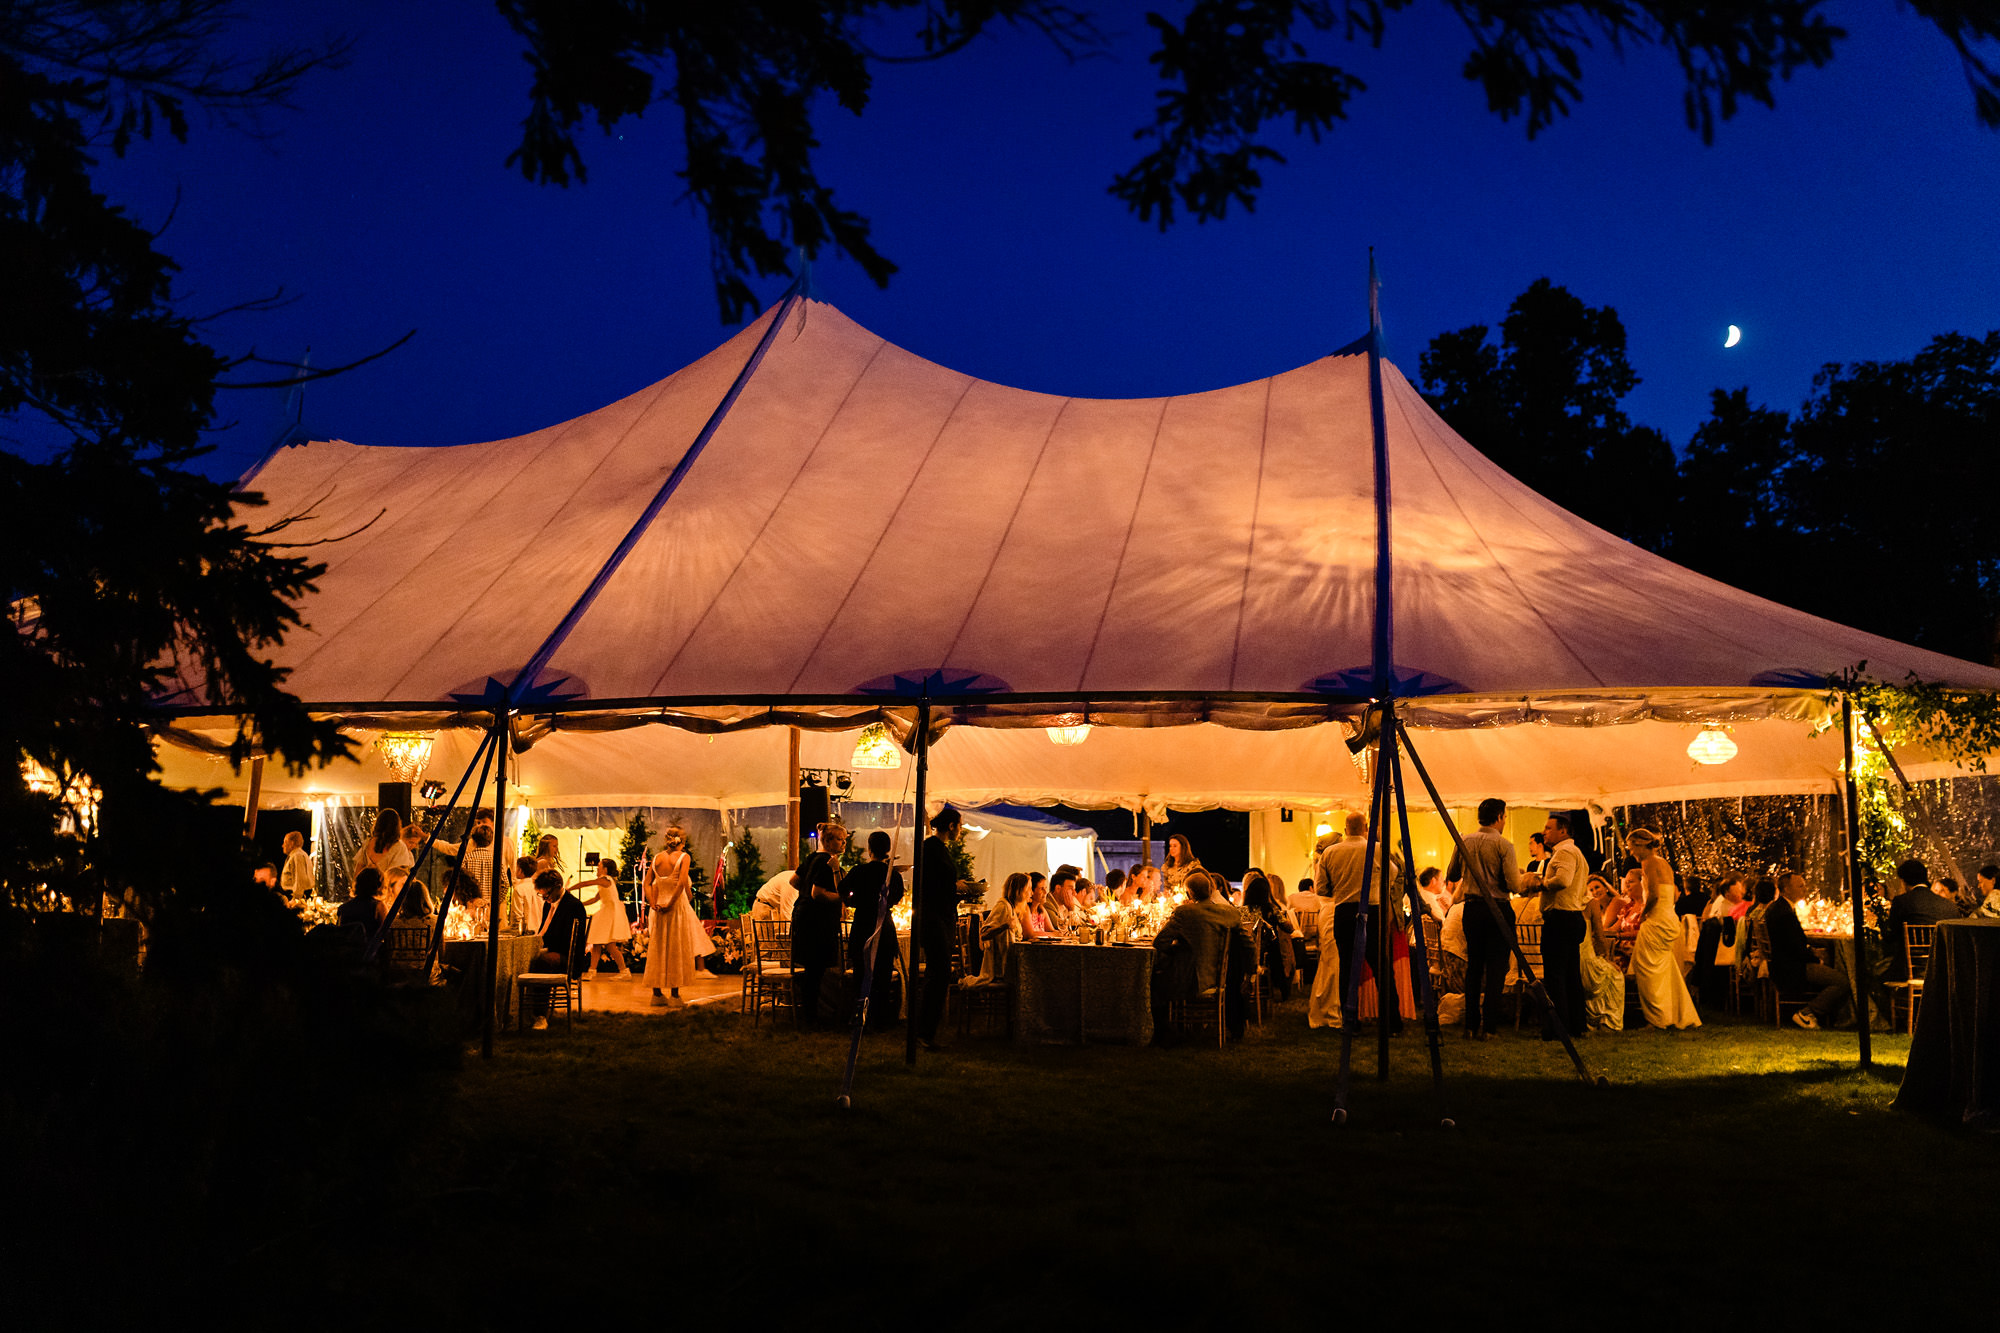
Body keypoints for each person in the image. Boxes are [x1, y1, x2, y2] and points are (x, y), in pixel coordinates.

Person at [1315, 811, 1404, 1033]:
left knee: (1347, 968)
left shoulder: (1330, 853)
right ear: (1366, 828)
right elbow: (1392, 876)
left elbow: (1321, 889)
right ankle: (1391, 1021)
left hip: (1343, 913)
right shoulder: (1376, 849)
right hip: (1371, 911)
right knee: (1381, 968)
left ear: (1345, 829)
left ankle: (1350, 1021)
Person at [1149, 871, 1254, 1042]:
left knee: (1153, 979)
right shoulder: (1230, 913)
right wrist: (1250, 973)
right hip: (1223, 978)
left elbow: (1159, 942)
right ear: (1211, 889)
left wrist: (1178, 951)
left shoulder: (1184, 912)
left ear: (1189, 892)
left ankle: (1164, 1031)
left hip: (1191, 978)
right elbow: (1248, 944)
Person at [1447, 798, 1520, 1039]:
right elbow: (1512, 883)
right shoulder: (1504, 845)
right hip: (1497, 907)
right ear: (1499, 816)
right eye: (1505, 817)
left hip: (1473, 909)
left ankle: (1470, 1025)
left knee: (1474, 967)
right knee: (1497, 968)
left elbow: (1452, 874)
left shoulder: (1464, 841)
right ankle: (1489, 1028)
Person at [1625, 829, 1700, 1029]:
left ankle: (1658, 1018)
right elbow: (1673, 895)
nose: (1631, 853)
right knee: (1665, 969)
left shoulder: (1648, 863)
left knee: (1646, 968)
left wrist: (1643, 915)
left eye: (1632, 848)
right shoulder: (1664, 862)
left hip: (1657, 920)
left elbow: (1654, 894)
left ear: (1640, 845)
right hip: (1669, 918)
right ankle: (1675, 1013)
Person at [916, 807, 978, 1050]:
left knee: (938, 973)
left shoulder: (936, 849)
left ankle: (925, 1031)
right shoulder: (932, 849)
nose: (961, 831)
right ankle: (924, 1032)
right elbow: (934, 886)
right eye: (960, 826)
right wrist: (957, 887)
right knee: (938, 973)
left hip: (939, 917)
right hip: (934, 919)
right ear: (951, 826)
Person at [1533, 812, 1590, 1041]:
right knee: (1571, 975)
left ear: (1563, 831)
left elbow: (1563, 880)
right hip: (1572, 917)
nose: (1544, 832)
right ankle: (1577, 1025)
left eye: (1548, 828)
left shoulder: (1565, 852)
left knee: (1556, 975)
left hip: (1560, 917)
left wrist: (1541, 884)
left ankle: (1559, 1027)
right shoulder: (1576, 852)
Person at [1769, 870, 1851, 1029]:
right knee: (1842, 981)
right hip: (1792, 968)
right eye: (1800, 886)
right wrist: (1817, 958)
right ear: (1786, 889)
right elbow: (1795, 948)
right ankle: (1808, 1012)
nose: (1804, 890)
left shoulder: (1779, 908)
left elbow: (1793, 943)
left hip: (1782, 964)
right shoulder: (1785, 913)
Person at [841, 830, 906, 1028]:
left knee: (862, 973)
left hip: (862, 924)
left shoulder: (859, 871)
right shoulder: (893, 874)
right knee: (883, 974)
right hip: (884, 926)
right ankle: (881, 1019)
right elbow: (896, 897)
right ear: (888, 850)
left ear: (869, 849)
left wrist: (854, 901)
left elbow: (843, 891)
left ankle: (862, 1017)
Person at [644, 828, 711, 1008]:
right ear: (682, 840)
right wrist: (672, 903)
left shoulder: (657, 858)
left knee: (658, 948)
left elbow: (647, 883)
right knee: (676, 949)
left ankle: (656, 994)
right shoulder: (684, 857)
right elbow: (681, 883)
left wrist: (652, 902)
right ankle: (674, 995)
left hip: (658, 907)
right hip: (675, 907)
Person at [791, 822, 847, 1026]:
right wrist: (842, 898)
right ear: (829, 840)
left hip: (803, 916)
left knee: (811, 969)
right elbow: (819, 893)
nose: (844, 844)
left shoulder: (812, 857)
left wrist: (804, 895)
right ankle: (811, 1017)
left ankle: (809, 1014)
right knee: (816, 969)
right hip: (817, 922)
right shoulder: (826, 862)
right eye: (841, 840)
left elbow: (794, 881)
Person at [526, 870, 588, 1029]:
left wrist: (544, 949)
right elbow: (545, 930)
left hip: (568, 956)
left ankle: (540, 1015)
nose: (545, 899)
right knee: (527, 959)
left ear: (558, 886)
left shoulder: (574, 906)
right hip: (553, 949)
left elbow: (569, 941)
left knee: (541, 963)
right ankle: (524, 1010)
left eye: (546, 895)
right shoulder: (549, 904)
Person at [1884, 857, 1958, 980]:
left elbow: (1892, 936)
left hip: (1911, 970)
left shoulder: (1902, 901)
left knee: (1875, 974)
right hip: (1945, 968)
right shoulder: (1949, 905)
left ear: (1903, 881)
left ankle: (1900, 999)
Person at [1240, 870, 1298, 1002]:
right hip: (1267, 955)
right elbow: (1289, 928)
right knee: (1278, 948)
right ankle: (1281, 989)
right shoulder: (1271, 909)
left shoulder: (1241, 911)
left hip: (1245, 953)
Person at [1579, 875, 1625, 1032]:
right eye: (1591, 889)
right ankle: (1607, 1021)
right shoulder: (1590, 904)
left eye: (1597, 887)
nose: (1594, 892)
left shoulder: (1556, 903)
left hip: (1565, 963)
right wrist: (1606, 958)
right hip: (1585, 962)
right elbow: (1599, 936)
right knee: (1616, 975)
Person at [969, 872, 1027, 987]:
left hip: (1009, 962)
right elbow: (984, 934)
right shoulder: (1003, 906)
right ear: (1019, 890)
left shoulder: (1012, 907)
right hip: (1000, 969)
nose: (1031, 893)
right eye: (1029, 889)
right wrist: (1004, 925)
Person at [582, 857, 631, 979]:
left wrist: (568, 890)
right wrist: (580, 904)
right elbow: (595, 898)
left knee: (609, 945)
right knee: (598, 943)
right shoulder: (605, 882)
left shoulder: (605, 880)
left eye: (599, 865)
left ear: (605, 869)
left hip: (610, 913)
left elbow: (586, 883)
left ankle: (624, 971)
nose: (597, 867)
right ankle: (592, 971)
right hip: (606, 913)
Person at [354, 809, 413, 880]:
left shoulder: (368, 843)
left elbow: (357, 873)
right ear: (397, 826)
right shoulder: (399, 847)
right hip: (386, 889)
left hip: (366, 889)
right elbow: (397, 876)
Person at [336, 867, 386, 932]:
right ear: (378, 885)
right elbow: (385, 931)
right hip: (369, 942)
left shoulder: (343, 908)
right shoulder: (378, 907)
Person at [506, 855, 544, 934]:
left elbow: (517, 917)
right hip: (540, 929)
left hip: (526, 931)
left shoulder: (519, 889)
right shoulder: (539, 887)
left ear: (520, 870)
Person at [280, 831, 314, 899]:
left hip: (294, 897)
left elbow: (300, 880)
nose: (283, 845)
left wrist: (296, 899)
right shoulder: (297, 855)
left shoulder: (297, 855)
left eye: (285, 842)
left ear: (291, 843)